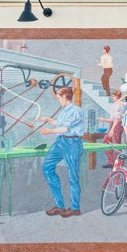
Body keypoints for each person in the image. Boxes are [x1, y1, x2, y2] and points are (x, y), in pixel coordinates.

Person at [38, 86, 87, 218]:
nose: (58, 100)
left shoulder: (76, 111)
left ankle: (75, 208)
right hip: (60, 142)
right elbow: (60, 124)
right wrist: (49, 120)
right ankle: (59, 205)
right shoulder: (65, 110)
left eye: (59, 98)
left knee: (73, 176)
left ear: (65, 97)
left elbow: (65, 128)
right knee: (47, 167)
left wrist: (49, 131)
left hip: (72, 144)